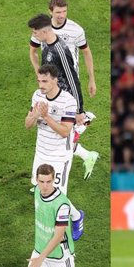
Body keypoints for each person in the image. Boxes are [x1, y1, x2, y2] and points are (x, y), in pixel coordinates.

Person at [28, 10, 100, 180]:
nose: (33, 35)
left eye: (35, 32)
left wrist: (78, 109)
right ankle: (87, 155)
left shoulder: (60, 51)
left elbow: (73, 79)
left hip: (64, 100)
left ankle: (51, 181)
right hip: (51, 95)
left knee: (61, 136)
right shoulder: (46, 44)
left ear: (44, 31)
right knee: (56, 136)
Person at [26, 64, 85, 241]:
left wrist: (46, 116)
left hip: (60, 155)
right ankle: (76, 216)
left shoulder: (68, 101)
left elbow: (65, 131)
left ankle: (68, 227)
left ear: (55, 80)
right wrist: (35, 115)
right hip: (41, 152)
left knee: (57, 195)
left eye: (45, 81)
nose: (41, 85)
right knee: (42, 190)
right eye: (39, 81)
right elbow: (27, 125)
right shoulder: (37, 96)